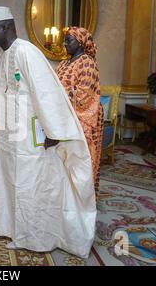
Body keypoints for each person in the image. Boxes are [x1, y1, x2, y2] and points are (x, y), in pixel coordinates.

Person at [0, 7, 97, 258]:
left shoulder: (28, 52)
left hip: (32, 139)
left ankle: (39, 235)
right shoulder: (5, 57)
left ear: (6, 27)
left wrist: (55, 131)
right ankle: (17, 229)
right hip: (11, 139)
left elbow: (47, 93)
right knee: (13, 182)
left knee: (33, 184)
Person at [56, 27, 104, 196]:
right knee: (63, 161)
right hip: (64, 116)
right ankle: (67, 198)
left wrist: (59, 96)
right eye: (65, 39)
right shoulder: (64, 62)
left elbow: (84, 96)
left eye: (69, 40)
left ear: (81, 42)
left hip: (83, 117)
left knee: (81, 161)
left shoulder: (87, 62)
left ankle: (83, 199)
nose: (65, 43)